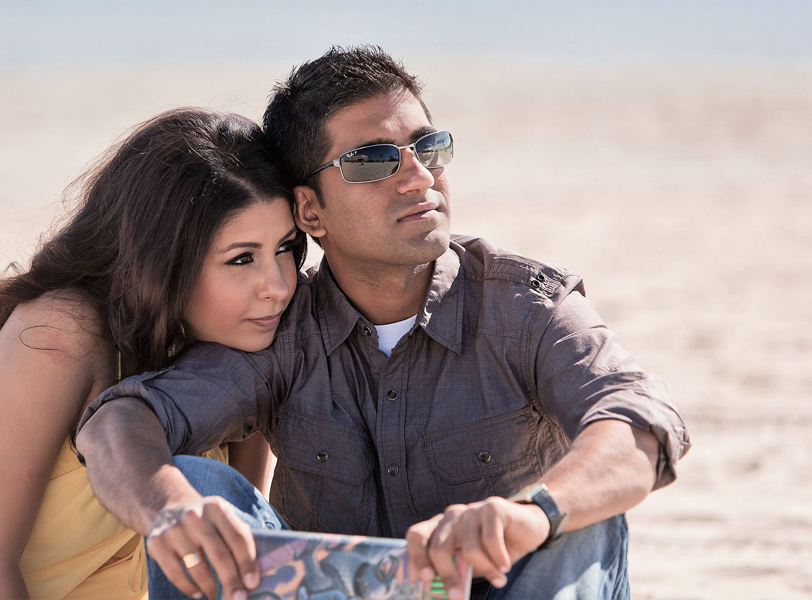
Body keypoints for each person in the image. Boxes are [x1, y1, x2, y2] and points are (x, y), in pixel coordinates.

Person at [76, 46, 691, 600]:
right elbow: (121, 421)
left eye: (429, 147)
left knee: (583, 520)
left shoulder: (524, 306)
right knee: (193, 483)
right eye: (372, 161)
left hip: (509, 586)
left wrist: (531, 513)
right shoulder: (283, 332)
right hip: (333, 590)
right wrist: (169, 509)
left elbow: (639, 419)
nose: (419, 177)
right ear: (310, 211)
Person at [0, 108, 306, 599]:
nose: (278, 286)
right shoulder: (61, 334)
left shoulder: (248, 352)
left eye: (285, 247)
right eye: (242, 258)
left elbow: (234, 568)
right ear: (164, 259)